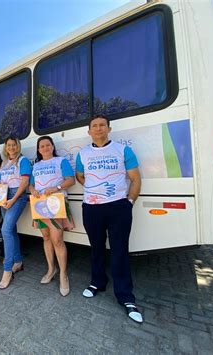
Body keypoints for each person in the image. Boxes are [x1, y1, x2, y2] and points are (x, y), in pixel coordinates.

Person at [75, 115, 143, 323]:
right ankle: (97, 282)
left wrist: (128, 203)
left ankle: (125, 296)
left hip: (118, 207)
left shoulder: (122, 150)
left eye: (102, 125)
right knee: (96, 248)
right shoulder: (83, 153)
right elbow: (80, 175)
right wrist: (94, 188)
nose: (98, 129)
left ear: (109, 129)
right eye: (94, 126)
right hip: (92, 208)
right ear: (89, 131)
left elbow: (135, 179)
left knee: (119, 251)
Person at [29, 136, 75, 296]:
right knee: (46, 238)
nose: (45, 148)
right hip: (40, 206)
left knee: (57, 240)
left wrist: (56, 187)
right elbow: (31, 183)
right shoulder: (36, 165)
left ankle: (63, 274)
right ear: (38, 149)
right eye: (42, 146)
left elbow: (71, 180)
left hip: (56, 204)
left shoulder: (61, 161)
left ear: (52, 146)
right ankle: (51, 269)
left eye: (48, 145)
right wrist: (32, 189)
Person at [0, 136, 32, 289]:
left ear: (18, 147)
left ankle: (7, 270)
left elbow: (24, 182)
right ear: (5, 148)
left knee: (5, 229)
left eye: (13, 145)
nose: (11, 147)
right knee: (11, 230)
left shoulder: (23, 161)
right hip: (4, 197)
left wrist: (13, 199)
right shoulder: (4, 163)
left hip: (17, 196)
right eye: (8, 145)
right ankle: (18, 261)